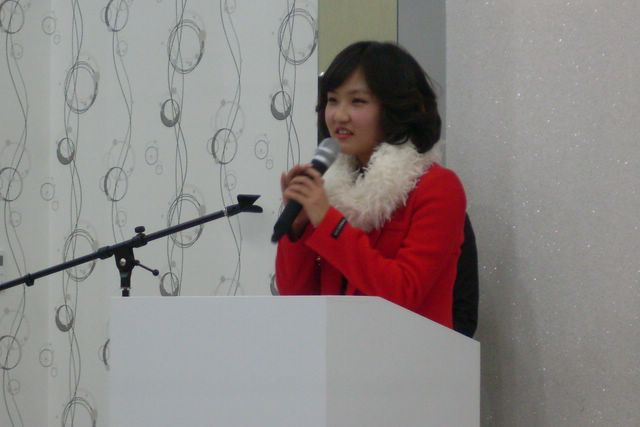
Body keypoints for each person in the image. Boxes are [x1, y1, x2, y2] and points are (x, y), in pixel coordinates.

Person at [275, 41, 466, 329]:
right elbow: (297, 298)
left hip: (409, 354)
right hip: (337, 351)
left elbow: (403, 293)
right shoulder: (331, 191)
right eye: (332, 100)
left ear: (396, 109)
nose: (339, 115)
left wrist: (329, 222)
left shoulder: (437, 187)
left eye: (357, 101)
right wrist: (299, 227)